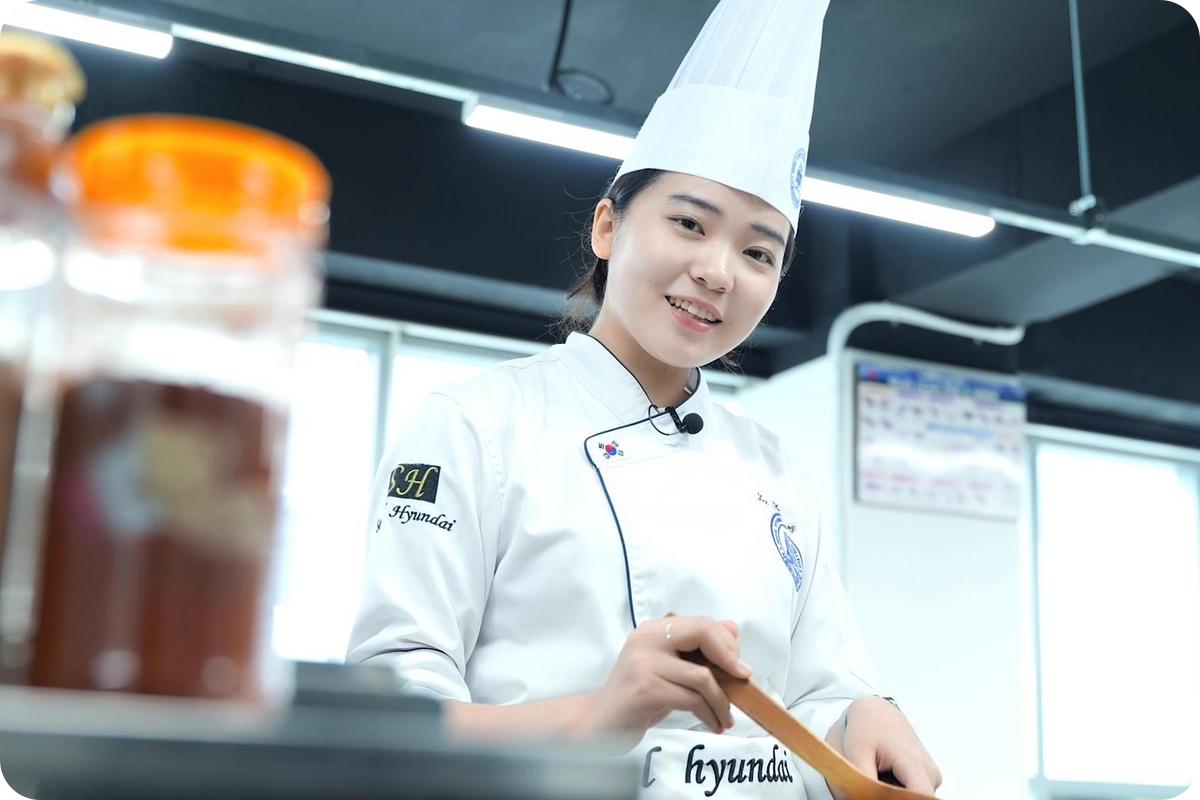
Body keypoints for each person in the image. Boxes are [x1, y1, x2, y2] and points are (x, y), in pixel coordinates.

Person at [347, 0, 943, 797]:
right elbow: (387, 720)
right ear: (607, 227)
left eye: (758, 252)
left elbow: (818, 692)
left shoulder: (774, 470)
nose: (719, 272)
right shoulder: (474, 426)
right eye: (690, 224)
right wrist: (596, 717)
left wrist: (860, 718)